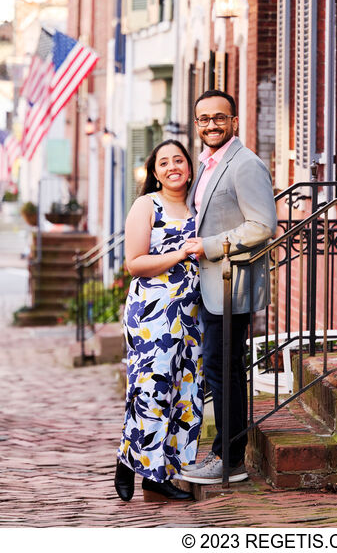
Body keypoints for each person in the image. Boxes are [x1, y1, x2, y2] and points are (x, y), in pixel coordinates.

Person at [182, 90, 277, 485]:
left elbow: (262, 226)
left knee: (224, 369)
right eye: (203, 119)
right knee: (224, 369)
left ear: (234, 122)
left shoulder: (245, 164)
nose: (211, 125)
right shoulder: (207, 164)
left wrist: (207, 247)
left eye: (219, 118)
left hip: (231, 282)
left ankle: (229, 458)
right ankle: (226, 451)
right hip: (210, 284)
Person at [114, 139, 202, 503]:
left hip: (191, 314)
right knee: (152, 389)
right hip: (152, 314)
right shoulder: (146, 204)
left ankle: (159, 473)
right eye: (163, 163)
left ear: (189, 166)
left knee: (184, 393)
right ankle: (128, 461)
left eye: (178, 160)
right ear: (154, 172)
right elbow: (133, 262)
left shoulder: (199, 205)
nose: (172, 167)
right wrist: (180, 253)